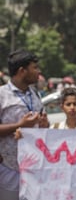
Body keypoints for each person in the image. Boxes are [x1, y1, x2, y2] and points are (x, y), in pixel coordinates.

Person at [0, 49, 49, 199]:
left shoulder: (34, 94)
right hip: (9, 168)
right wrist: (19, 125)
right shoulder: (2, 95)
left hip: (35, 169)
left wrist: (44, 124)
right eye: (35, 68)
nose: (38, 72)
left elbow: (42, 127)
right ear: (22, 71)